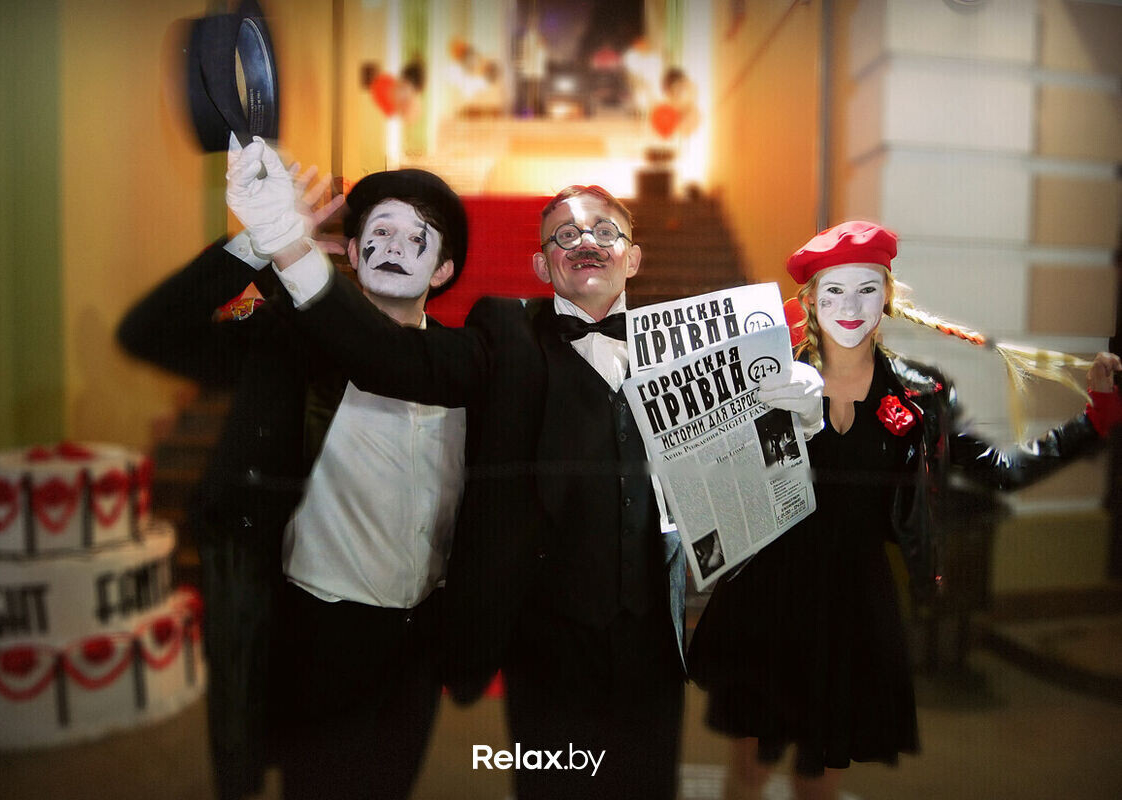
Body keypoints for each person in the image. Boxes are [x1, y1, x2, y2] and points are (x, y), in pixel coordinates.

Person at [225, 145, 825, 799]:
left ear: (633, 258)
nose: (585, 242)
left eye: (605, 231)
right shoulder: (505, 334)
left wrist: (796, 420)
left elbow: (754, 484)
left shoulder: (691, 348)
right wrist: (288, 245)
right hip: (546, 651)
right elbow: (390, 358)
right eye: (564, 234)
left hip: (653, 646)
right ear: (542, 264)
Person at [686, 220, 1122, 800]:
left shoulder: (919, 396)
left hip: (853, 605)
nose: (850, 307)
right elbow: (715, 484)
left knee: (818, 779)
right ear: (810, 300)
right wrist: (763, 419)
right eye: (834, 291)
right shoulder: (769, 380)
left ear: (887, 296)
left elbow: (999, 469)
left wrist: (1094, 420)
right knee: (749, 772)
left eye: (867, 289)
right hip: (769, 595)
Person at [117, 143, 469, 800]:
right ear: (352, 252)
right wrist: (257, 244)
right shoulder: (285, 342)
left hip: (418, 640)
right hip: (314, 630)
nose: (394, 245)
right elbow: (150, 332)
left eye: (417, 235)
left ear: (444, 268)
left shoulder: (468, 365)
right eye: (379, 231)